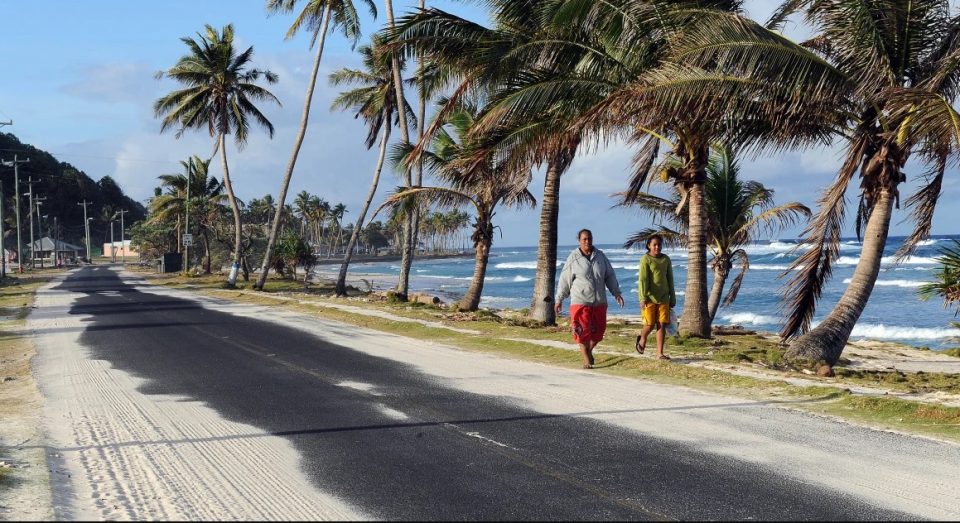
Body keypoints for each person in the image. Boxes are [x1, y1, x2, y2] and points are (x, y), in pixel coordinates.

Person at [555, 229, 625, 369]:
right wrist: (559, 299)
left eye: (589, 238)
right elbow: (564, 280)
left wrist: (616, 293)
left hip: (599, 301)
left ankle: (589, 350)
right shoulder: (573, 258)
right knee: (581, 331)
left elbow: (609, 275)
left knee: (599, 332)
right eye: (584, 239)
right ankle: (586, 360)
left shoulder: (600, 256)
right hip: (580, 300)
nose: (587, 241)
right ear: (579, 241)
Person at [636, 234, 676, 360]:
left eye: (659, 244)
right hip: (649, 298)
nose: (657, 247)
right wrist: (642, 298)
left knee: (662, 324)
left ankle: (660, 353)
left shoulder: (666, 259)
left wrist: (672, 297)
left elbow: (670, 279)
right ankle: (642, 338)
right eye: (654, 245)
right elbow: (643, 279)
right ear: (649, 246)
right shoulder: (645, 259)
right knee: (649, 324)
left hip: (664, 297)